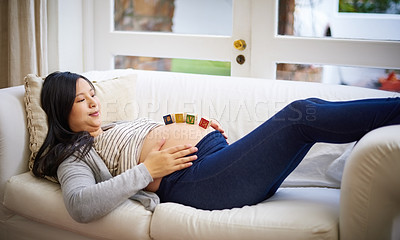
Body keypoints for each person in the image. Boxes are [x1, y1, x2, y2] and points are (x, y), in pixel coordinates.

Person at [33, 71, 400, 223]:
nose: (94, 102)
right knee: (301, 115)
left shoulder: (110, 127)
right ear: (61, 110)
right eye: (81, 100)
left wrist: (196, 127)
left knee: (305, 121)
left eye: (92, 94)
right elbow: (80, 206)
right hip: (195, 180)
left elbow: (152, 133)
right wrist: (150, 169)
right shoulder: (73, 155)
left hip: (212, 158)